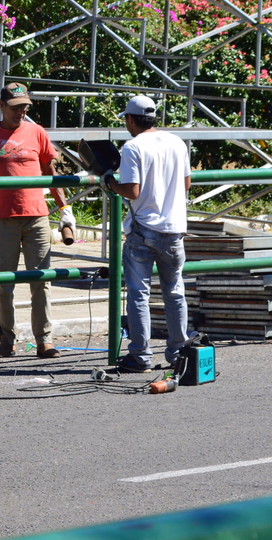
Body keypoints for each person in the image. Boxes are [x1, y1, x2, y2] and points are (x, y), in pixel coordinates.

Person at [0, 82, 76, 359]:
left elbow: (51, 171)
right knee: (4, 284)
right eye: (15, 107)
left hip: (37, 218)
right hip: (2, 219)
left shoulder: (37, 132)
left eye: (25, 106)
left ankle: (44, 340)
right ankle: (7, 340)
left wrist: (65, 209)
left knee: (41, 281)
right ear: (2, 106)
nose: (21, 111)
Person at [102, 95, 191, 372]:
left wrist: (109, 183)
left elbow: (132, 190)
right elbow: (187, 183)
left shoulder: (133, 146)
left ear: (130, 119)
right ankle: (179, 353)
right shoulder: (177, 142)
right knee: (175, 293)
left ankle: (140, 355)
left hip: (144, 230)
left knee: (139, 294)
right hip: (175, 229)